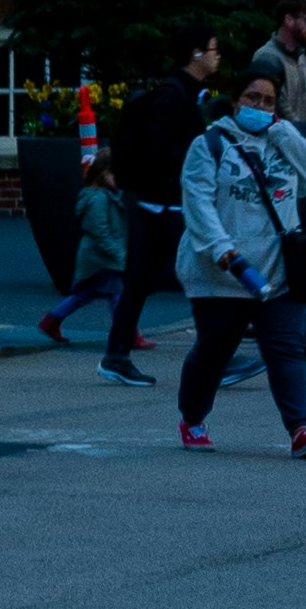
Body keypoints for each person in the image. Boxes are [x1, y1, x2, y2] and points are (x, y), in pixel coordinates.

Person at [174, 61, 306, 459]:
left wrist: (282, 129)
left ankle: (302, 429)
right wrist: (223, 251)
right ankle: (192, 417)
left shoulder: (283, 140)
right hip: (222, 272)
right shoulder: (209, 145)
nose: (259, 106)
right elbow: (198, 204)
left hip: (277, 270)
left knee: (286, 349)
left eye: (268, 101)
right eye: (252, 98)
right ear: (234, 101)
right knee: (215, 350)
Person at [100, 30, 223, 386]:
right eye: (213, 50)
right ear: (196, 52)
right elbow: (163, 150)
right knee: (201, 270)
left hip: (160, 202)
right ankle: (217, 354)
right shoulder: (173, 96)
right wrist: (181, 183)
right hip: (164, 203)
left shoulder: (179, 92)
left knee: (142, 279)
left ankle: (116, 354)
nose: (217, 57)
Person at [37, 146, 131, 346]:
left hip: (97, 258)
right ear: (104, 175)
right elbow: (99, 230)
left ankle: (51, 320)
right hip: (102, 258)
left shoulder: (106, 195)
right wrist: (117, 253)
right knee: (117, 295)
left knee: (84, 294)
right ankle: (126, 333)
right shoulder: (99, 199)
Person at [247, 0, 306, 130]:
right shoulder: (267, 57)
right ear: (288, 20)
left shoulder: (301, 57)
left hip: (302, 142)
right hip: (280, 141)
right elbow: (281, 108)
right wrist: (304, 136)